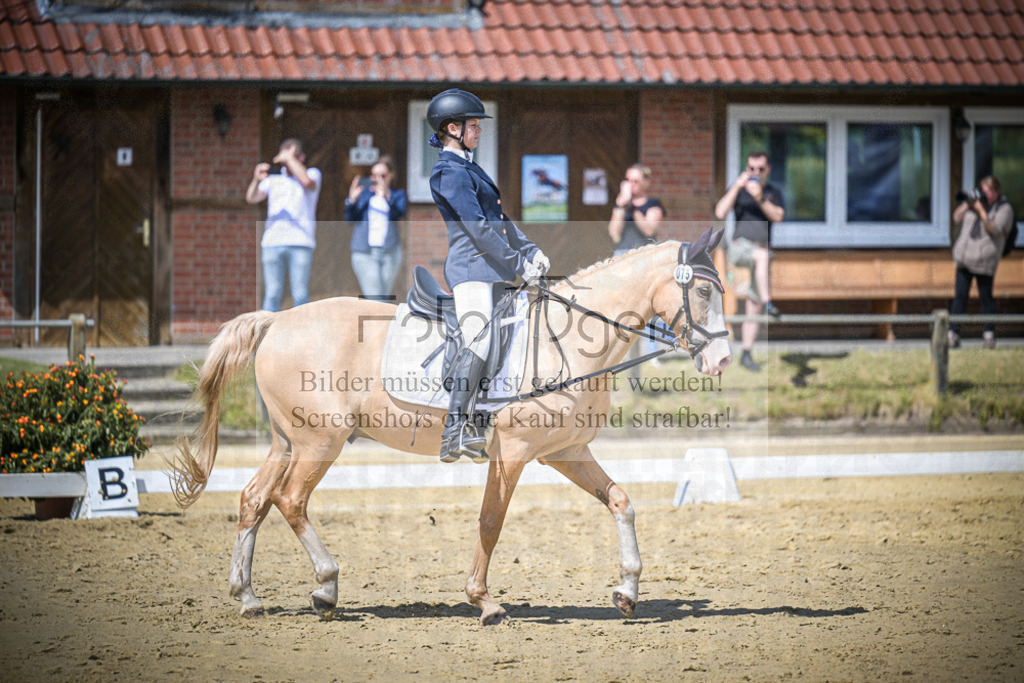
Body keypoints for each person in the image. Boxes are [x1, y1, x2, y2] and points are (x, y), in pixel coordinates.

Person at [426, 88, 549, 464]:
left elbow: (500, 220)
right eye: (473, 125)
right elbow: (478, 228)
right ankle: (455, 429)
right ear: (453, 128)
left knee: (508, 339)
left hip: (493, 268)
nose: (479, 131)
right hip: (471, 268)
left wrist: (530, 250)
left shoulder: (470, 167)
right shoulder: (448, 172)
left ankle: (481, 424)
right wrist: (518, 266)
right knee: (478, 339)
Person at [715, 151, 785, 372]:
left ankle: (746, 352)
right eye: (751, 169)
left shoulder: (772, 193)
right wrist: (737, 186)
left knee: (752, 307)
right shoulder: (739, 191)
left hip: (761, 256)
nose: (755, 173)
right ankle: (769, 302)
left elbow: (778, 216)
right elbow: (720, 212)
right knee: (762, 257)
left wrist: (759, 198)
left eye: (760, 169)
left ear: (768, 170)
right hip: (740, 249)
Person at [246, 138, 322, 312]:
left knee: (300, 294)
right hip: (272, 243)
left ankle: (301, 337)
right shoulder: (273, 179)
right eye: (286, 155)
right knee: (272, 293)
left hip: (301, 243)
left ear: (301, 157)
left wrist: (288, 158)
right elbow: (252, 198)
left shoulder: (312, 174)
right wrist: (256, 179)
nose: (288, 159)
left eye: (294, 155)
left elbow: (307, 183)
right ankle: (265, 335)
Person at [949, 176, 1015, 349]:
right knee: (959, 298)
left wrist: (981, 210)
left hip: (984, 262)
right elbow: (956, 218)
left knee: (986, 299)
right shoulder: (973, 205)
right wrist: (968, 204)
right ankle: (953, 334)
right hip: (964, 259)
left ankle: (988, 334)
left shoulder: (1004, 209)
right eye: (982, 190)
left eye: (987, 191)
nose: (984, 195)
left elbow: (995, 229)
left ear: (996, 191)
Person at [608, 164, 667, 358]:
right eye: (628, 180)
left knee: (649, 306)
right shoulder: (622, 204)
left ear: (646, 182)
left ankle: (652, 353)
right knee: (622, 305)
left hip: (646, 257)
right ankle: (621, 353)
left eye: (635, 181)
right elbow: (614, 233)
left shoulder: (653, 204)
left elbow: (649, 229)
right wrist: (619, 207)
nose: (630, 184)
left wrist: (633, 208)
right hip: (623, 256)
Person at [345, 155, 407, 301]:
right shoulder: (365, 195)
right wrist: (352, 200)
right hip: (364, 253)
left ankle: (379, 323)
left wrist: (386, 195)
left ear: (391, 175)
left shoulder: (397, 195)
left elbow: (399, 212)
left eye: (382, 175)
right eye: (374, 175)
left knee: (384, 297)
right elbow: (349, 220)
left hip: (389, 252)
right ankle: (378, 323)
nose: (377, 179)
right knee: (375, 297)